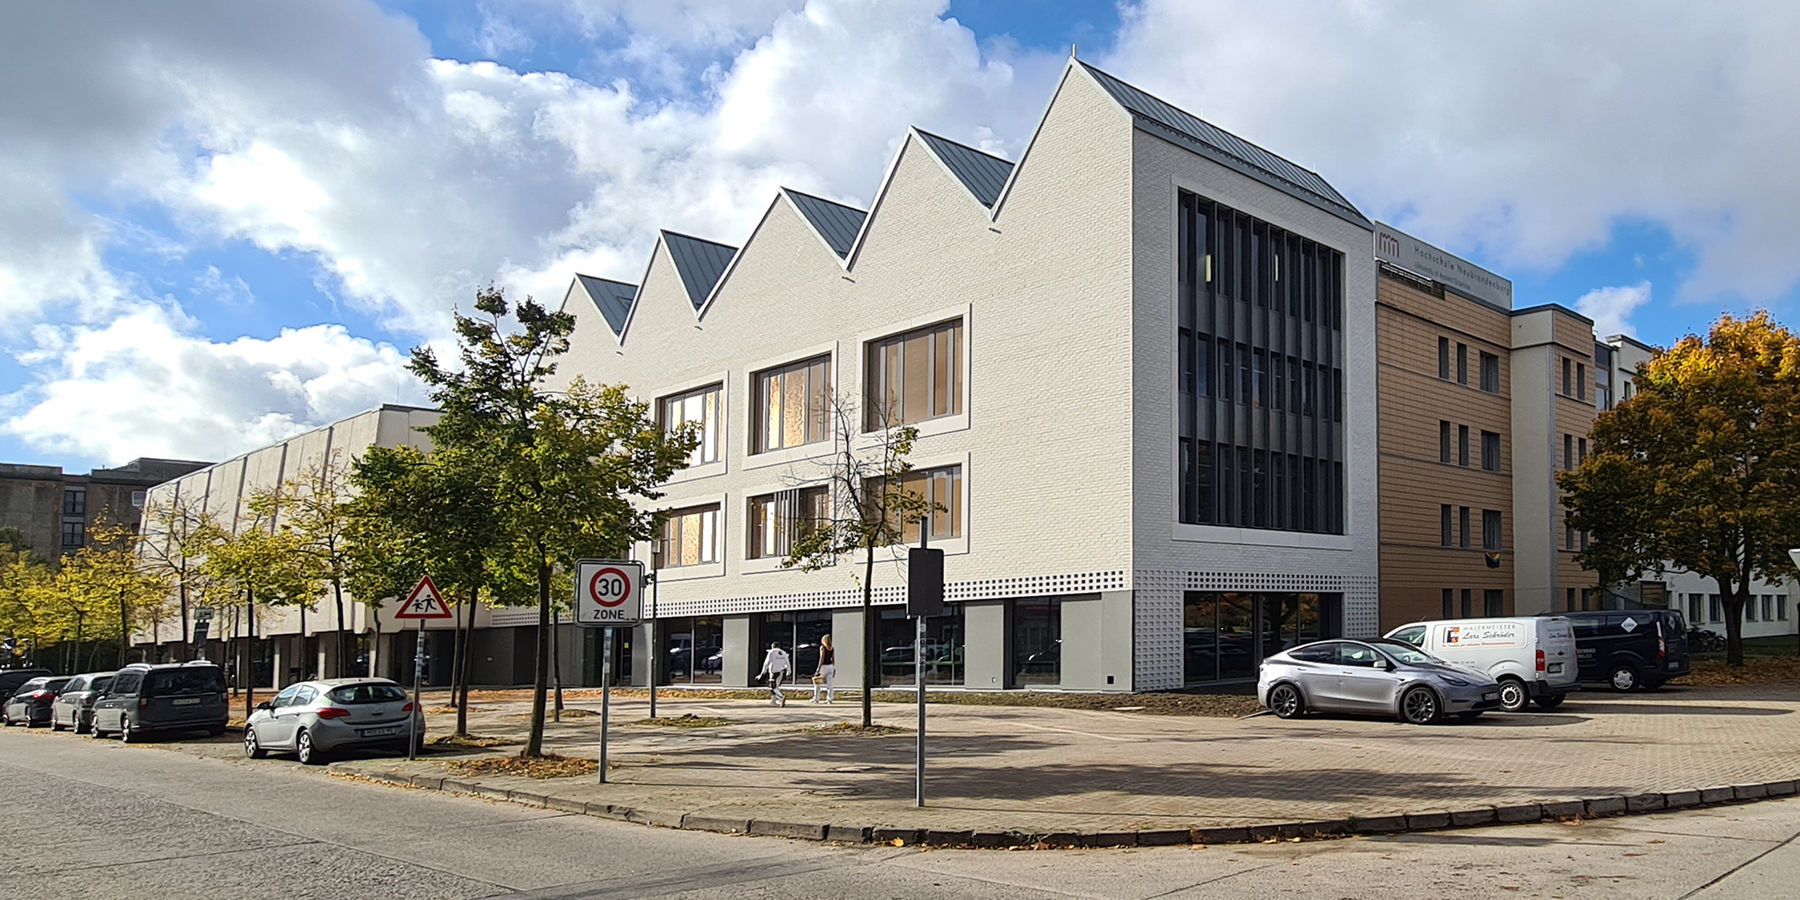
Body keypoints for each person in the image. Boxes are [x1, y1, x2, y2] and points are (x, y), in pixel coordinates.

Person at [758, 641, 791, 707]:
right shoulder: (783, 653)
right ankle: (773, 702)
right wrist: (789, 671)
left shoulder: (772, 652)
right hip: (781, 672)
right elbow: (787, 663)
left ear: (773, 646)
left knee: (772, 687)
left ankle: (781, 697)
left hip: (774, 672)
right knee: (776, 687)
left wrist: (762, 673)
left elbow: (766, 663)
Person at [810, 634, 836, 703]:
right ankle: (829, 699)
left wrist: (818, 668)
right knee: (830, 684)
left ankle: (816, 698)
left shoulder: (822, 647)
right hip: (830, 666)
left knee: (818, 683)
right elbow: (833, 659)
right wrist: (833, 667)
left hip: (823, 667)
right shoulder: (831, 648)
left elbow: (821, 658)